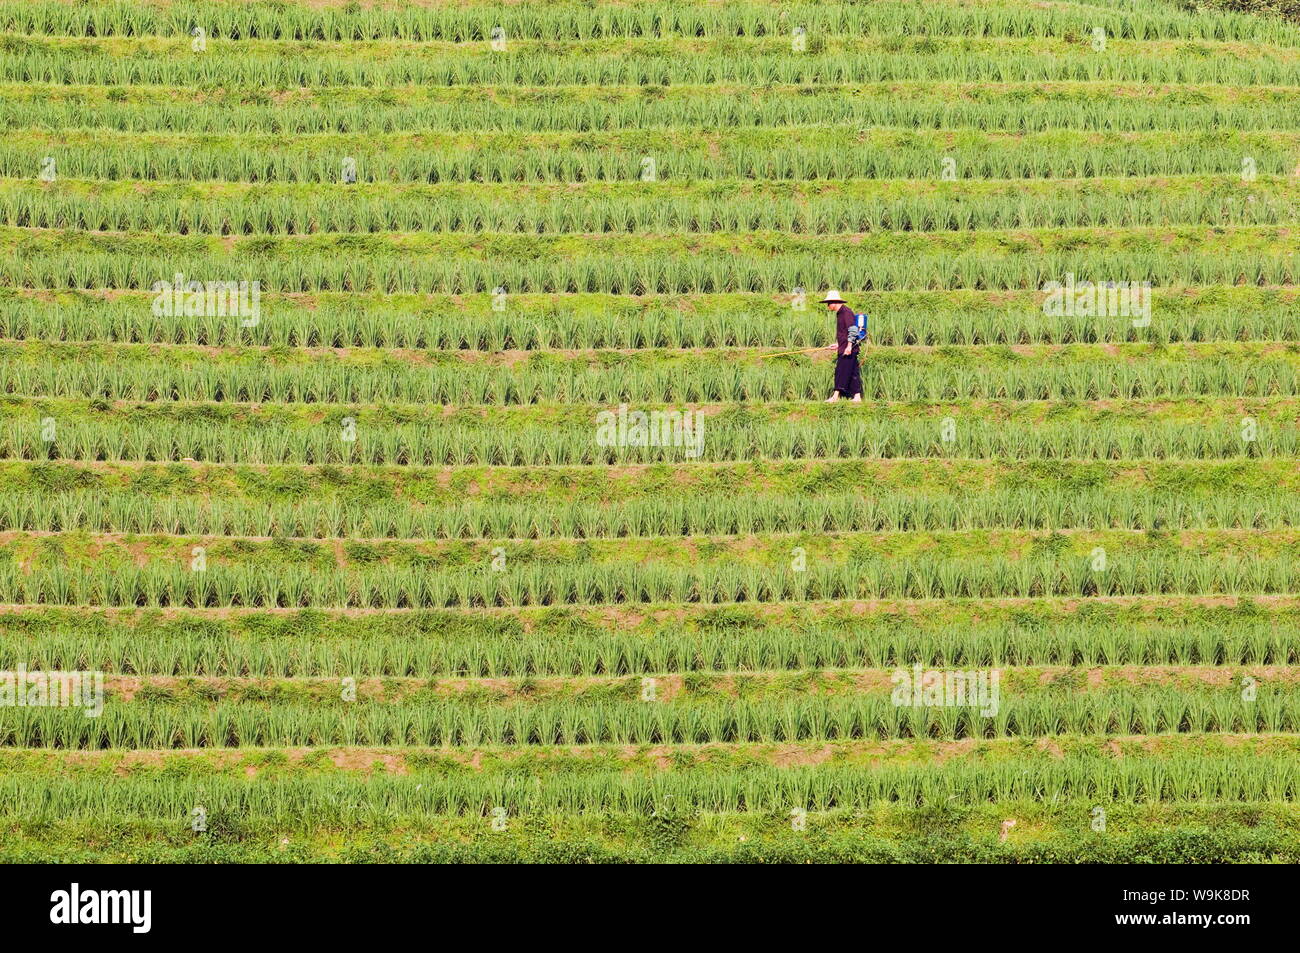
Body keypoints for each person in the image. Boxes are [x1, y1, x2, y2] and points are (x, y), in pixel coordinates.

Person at [822, 289, 864, 403]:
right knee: (853, 372)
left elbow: (853, 330)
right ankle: (857, 397)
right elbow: (844, 333)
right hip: (845, 347)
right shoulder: (840, 313)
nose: (828, 306)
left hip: (848, 349)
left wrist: (849, 347)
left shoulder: (846, 312)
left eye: (828, 303)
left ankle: (835, 396)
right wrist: (838, 344)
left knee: (840, 371)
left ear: (834, 302)